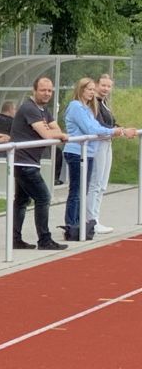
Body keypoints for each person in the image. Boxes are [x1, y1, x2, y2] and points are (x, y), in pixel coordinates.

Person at [60, 77, 132, 242]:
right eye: (90, 89)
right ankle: (72, 225)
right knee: (77, 191)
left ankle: (82, 224)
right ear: (81, 90)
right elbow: (90, 128)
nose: (92, 93)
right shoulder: (76, 106)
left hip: (88, 152)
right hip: (77, 152)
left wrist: (116, 130)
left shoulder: (87, 108)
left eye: (93, 90)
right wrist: (114, 131)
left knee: (83, 190)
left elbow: (96, 126)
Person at [10, 76, 67, 251]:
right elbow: (49, 135)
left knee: (21, 200)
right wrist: (57, 134)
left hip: (28, 161)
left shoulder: (43, 110)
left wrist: (54, 131)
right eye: (43, 90)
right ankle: (44, 240)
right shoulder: (30, 108)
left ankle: (15, 239)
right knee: (43, 198)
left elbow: (55, 129)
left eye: (50, 90)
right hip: (24, 162)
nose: (47, 93)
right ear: (34, 91)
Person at [90, 73, 118, 233]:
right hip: (98, 143)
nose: (106, 89)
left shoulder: (104, 103)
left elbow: (111, 122)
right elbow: (98, 124)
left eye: (108, 86)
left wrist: (120, 129)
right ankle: (91, 220)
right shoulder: (93, 102)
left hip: (107, 142)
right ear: (96, 85)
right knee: (96, 182)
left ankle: (95, 218)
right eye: (103, 85)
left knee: (102, 184)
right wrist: (116, 130)